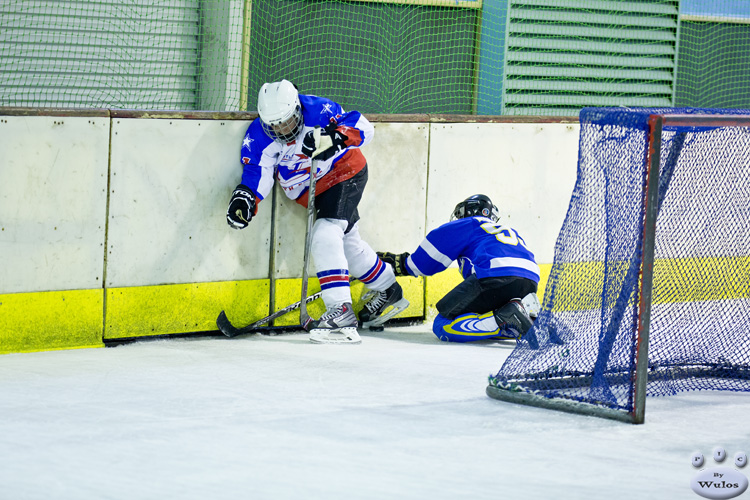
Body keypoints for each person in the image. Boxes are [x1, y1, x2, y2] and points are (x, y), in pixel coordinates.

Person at [226, 79, 409, 344]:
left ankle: (341, 308)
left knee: (324, 235)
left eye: (285, 122)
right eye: (273, 124)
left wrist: (335, 136)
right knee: (348, 246)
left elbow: (364, 127)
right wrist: (246, 197)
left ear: (297, 110)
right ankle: (388, 289)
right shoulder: (258, 135)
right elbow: (259, 171)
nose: (280, 129)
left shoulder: (319, 110)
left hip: (344, 172)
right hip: (312, 190)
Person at [378, 194, 541, 342]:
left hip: (495, 276)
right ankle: (519, 320)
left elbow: (427, 262)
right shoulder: (509, 231)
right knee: (491, 313)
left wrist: (402, 264)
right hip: (530, 283)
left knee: (442, 324)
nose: (458, 218)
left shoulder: (471, 223)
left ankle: (502, 318)